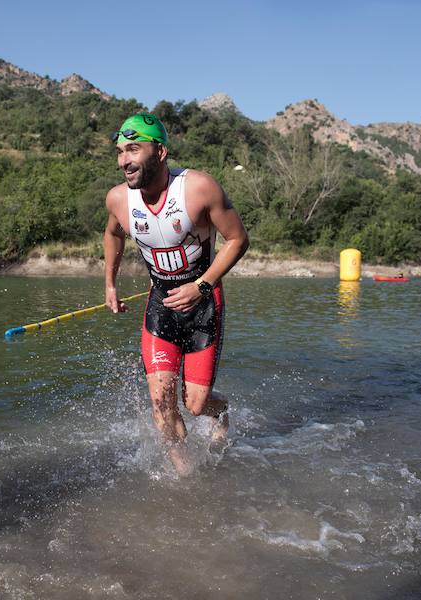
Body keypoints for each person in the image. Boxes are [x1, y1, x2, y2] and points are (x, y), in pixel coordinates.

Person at [103, 113, 250, 473]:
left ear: (161, 152)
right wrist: (110, 283)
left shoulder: (198, 188)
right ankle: (187, 478)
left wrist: (202, 286)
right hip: (161, 305)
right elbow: (112, 234)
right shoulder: (118, 199)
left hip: (204, 305)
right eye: (120, 152)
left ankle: (221, 410)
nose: (124, 161)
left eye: (133, 150)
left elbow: (237, 239)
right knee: (162, 405)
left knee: (195, 405)